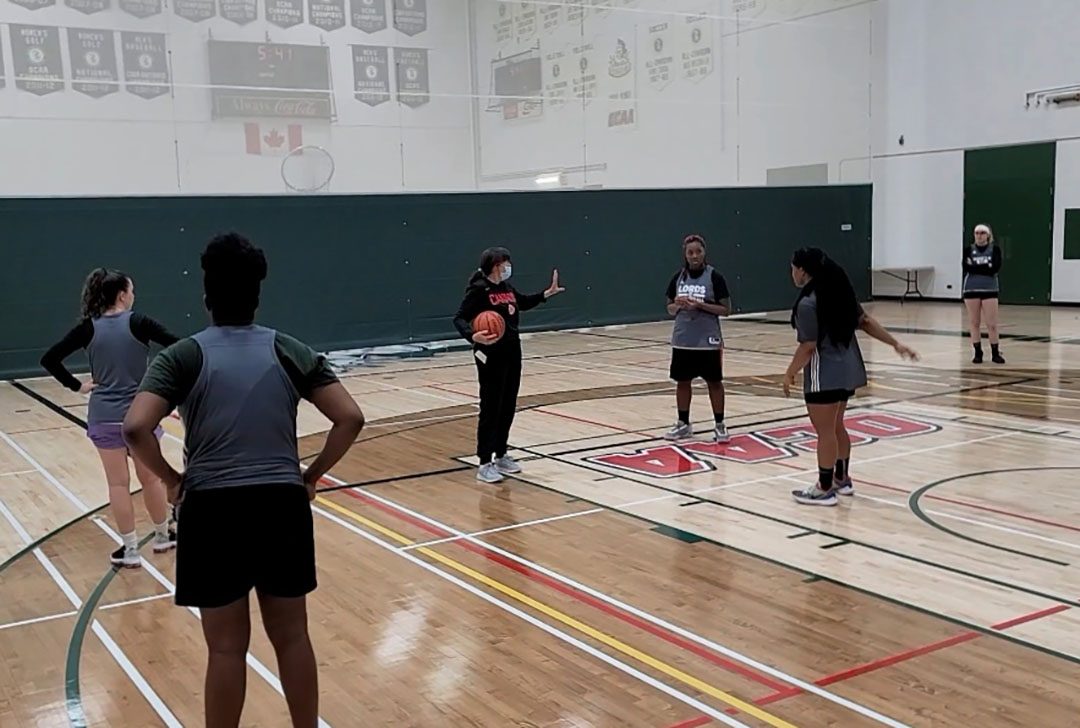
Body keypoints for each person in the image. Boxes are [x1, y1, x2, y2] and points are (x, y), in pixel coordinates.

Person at [122, 233, 365, 728]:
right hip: (281, 503)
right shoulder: (289, 349)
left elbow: (134, 427)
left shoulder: (182, 357)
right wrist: (311, 476)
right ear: (257, 292)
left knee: (227, 650)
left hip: (212, 509)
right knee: (293, 636)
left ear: (206, 294)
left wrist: (171, 479)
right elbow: (350, 418)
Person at [40, 268, 179, 568]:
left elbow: (49, 359)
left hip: (103, 416)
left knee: (117, 485)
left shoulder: (88, 328)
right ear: (121, 295)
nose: (134, 296)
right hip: (140, 416)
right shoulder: (139, 322)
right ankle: (161, 535)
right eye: (131, 291)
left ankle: (130, 550)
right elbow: (179, 347)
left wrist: (77, 385)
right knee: (151, 478)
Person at [783, 248, 918, 507]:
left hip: (825, 372)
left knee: (824, 431)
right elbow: (865, 321)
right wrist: (895, 344)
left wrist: (789, 373)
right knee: (836, 426)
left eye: (793, 268)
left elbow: (808, 346)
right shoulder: (838, 290)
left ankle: (824, 488)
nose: (792, 273)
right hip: (848, 368)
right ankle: (841, 478)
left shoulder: (808, 302)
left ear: (802, 270)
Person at [452, 247, 565, 484]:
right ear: (496, 265)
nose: (508, 267)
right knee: (491, 407)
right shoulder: (479, 290)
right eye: (506, 263)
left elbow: (521, 303)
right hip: (490, 353)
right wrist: (473, 335)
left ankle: (501, 453)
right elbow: (459, 318)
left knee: (508, 404)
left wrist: (546, 294)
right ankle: (484, 462)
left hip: (512, 350)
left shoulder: (506, 288)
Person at [663, 234, 732, 443]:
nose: (694, 256)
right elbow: (669, 308)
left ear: (704, 253)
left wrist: (700, 305)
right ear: (685, 254)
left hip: (708, 341)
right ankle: (683, 424)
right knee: (682, 382)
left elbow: (726, 309)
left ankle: (720, 425)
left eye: (698, 252)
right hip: (683, 340)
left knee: (714, 382)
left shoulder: (715, 277)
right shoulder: (678, 278)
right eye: (690, 252)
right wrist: (678, 304)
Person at [962, 223, 1005, 364]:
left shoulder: (995, 250)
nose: (979, 235)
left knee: (991, 324)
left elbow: (995, 268)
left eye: (982, 233)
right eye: (977, 233)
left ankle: (995, 352)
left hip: (990, 289)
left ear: (988, 235)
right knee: (974, 322)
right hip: (971, 289)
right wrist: (985, 267)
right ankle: (977, 352)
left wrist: (978, 267)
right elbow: (967, 267)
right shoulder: (968, 250)